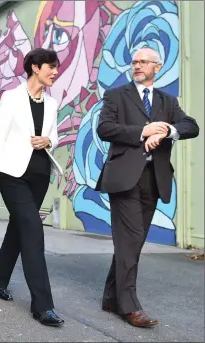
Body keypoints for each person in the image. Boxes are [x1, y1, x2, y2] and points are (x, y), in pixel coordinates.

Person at [95, 47, 199, 328]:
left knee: (133, 241)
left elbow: (191, 126)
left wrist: (166, 129)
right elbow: (104, 128)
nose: (137, 65)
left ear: (158, 66)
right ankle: (129, 306)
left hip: (154, 178)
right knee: (129, 241)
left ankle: (110, 297)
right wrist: (144, 131)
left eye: (144, 62)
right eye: (135, 62)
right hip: (124, 176)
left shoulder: (168, 101)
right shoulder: (117, 95)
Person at [0, 48, 65, 327]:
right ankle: (43, 305)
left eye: (56, 67)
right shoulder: (12, 97)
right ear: (35, 68)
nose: (55, 72)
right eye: (51, 67)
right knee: (32, 229)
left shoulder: (51, 103)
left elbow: (53, 135)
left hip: (40, 174)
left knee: (19, 229)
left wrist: (47, 141)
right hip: (12, 174)